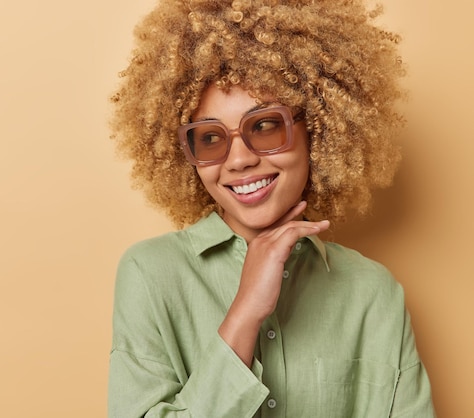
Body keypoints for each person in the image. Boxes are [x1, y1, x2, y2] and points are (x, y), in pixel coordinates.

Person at [108, 0, 436, 416]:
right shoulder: (150, 274)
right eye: (209, 138)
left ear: (318, 126)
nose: (239, 159)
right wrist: (244, 315)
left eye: (263, 126)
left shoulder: (373, 292)